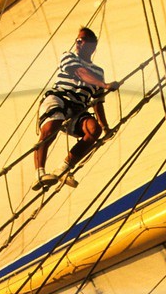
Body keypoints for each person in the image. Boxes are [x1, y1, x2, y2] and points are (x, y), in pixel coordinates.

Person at [33, 27, 120, 189]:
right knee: (53, 124)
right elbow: (80, 72)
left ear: (92, 46)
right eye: (77, 40)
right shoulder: (68, 57)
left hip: (78, 109)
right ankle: (39, 173)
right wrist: (105, 85)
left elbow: (97, 101)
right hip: (59, 99)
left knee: (94, 130)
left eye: (82, 40)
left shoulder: (98, 72)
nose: (78, 43)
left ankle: (63, 169)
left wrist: (105, 126)